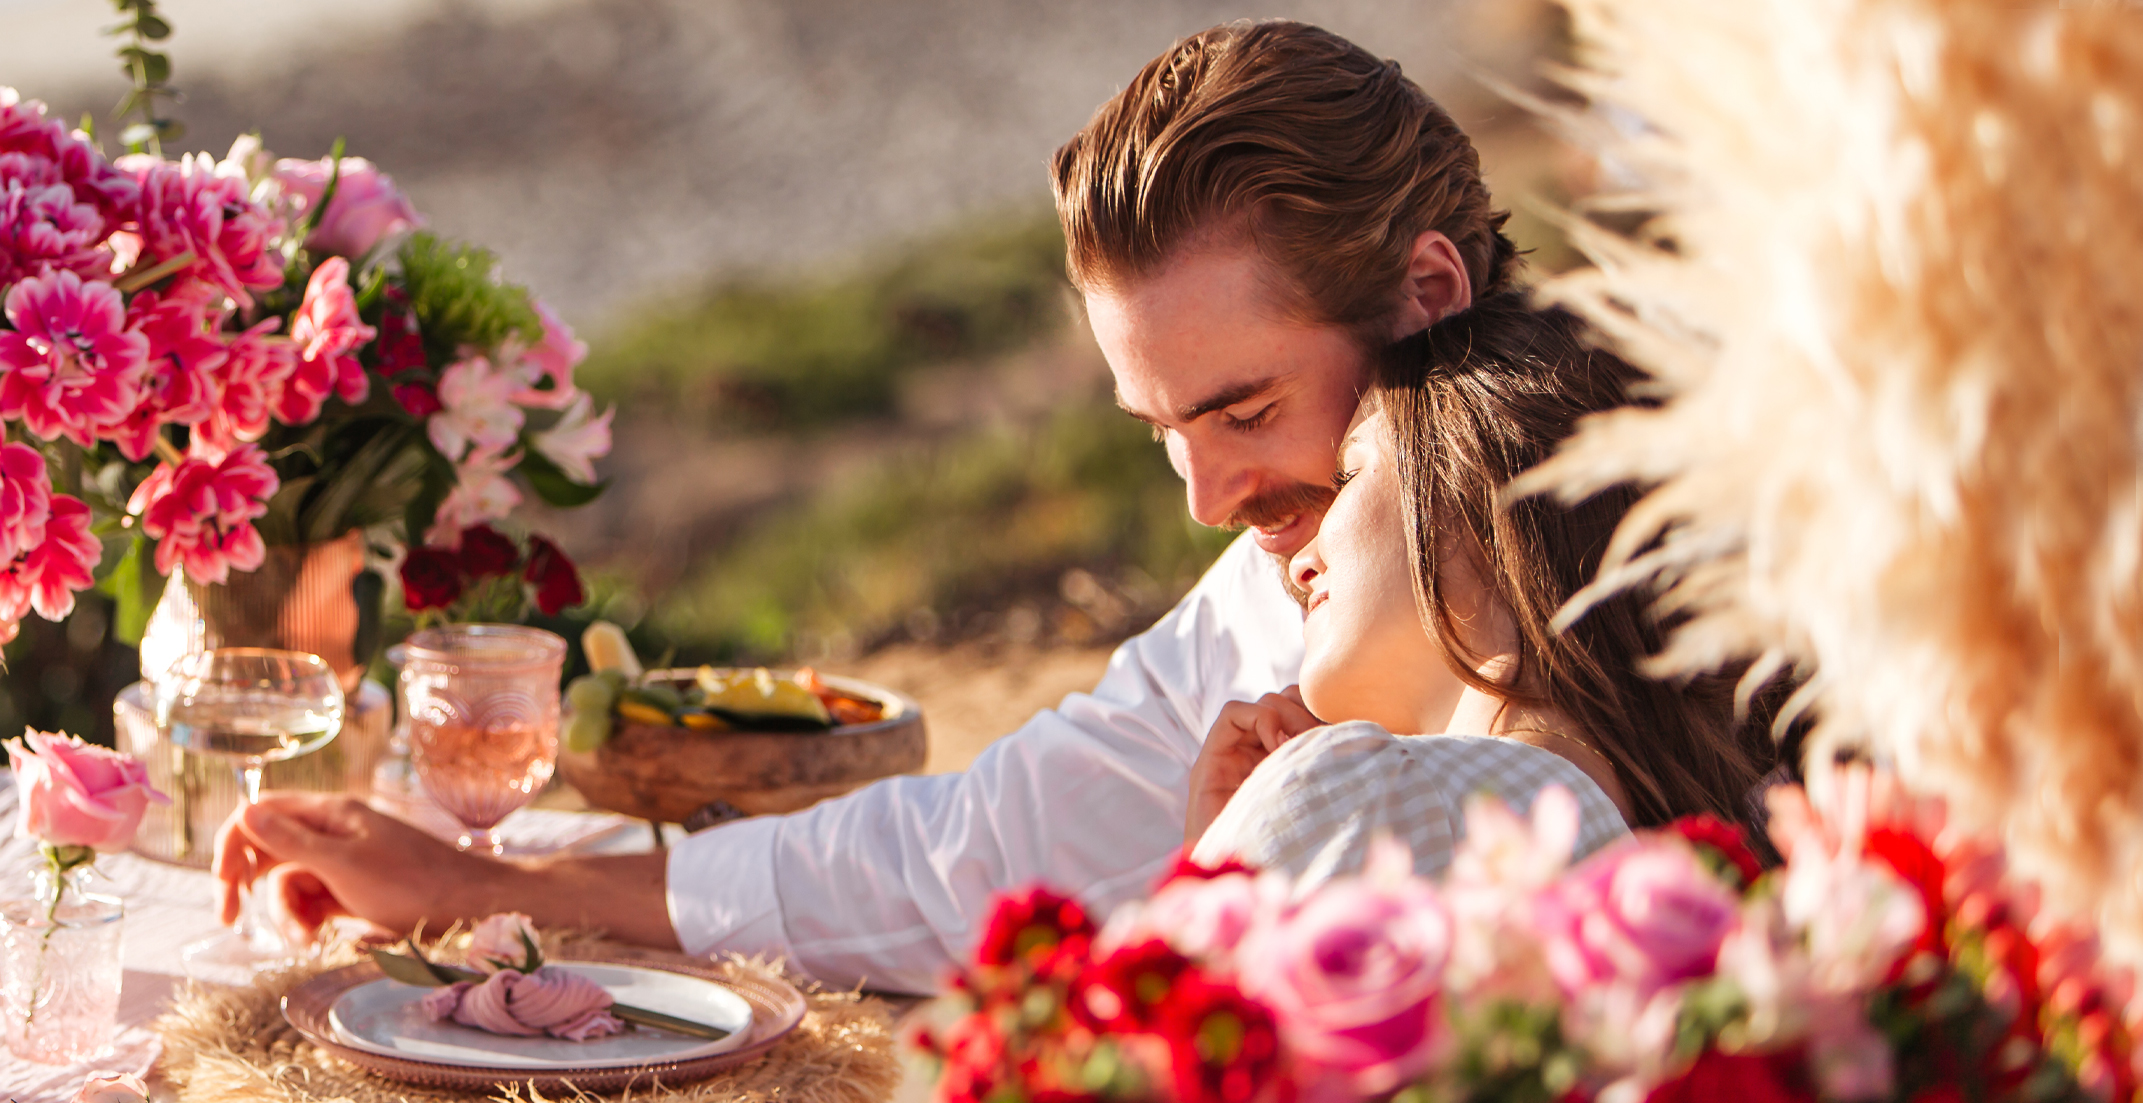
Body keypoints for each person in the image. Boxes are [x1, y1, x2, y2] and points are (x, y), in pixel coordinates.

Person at [216, 19, 1532, 994]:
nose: (1202, 502)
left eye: (1241, 411)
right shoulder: (1269, 588)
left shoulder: (1648, 594)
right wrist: (484, 880)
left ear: (1427, 296)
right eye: (1162, 433)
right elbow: (972, 853)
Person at [1180, 290, 1773, 886]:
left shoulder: (1358, 789)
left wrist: (1211, 877)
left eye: (1349, 474)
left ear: (1483, 495)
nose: (1300, 565)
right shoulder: (1717, 878)